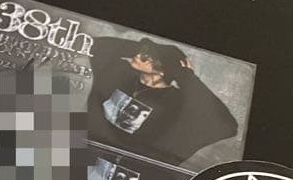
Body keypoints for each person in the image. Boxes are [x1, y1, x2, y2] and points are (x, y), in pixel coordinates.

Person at [87, 36, 238, 166]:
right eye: (143, 52)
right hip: (87, 151)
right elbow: (94, 45)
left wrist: (186, 77)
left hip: (125, 168)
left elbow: (226, 124)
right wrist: (136, 47)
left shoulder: (175, 102)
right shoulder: (121, 73)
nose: (138, 55)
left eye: (147, 57)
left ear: (162, 70)